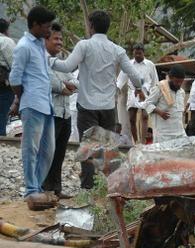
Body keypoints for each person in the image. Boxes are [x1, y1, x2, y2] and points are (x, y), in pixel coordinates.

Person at [49, 10, 144, 189]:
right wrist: (140, 85)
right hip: (108, 108)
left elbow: (67, 66)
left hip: (87, 106)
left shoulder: (84, 45)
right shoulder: (117, 50)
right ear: (107, 28)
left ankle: (87, 190)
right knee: (108, 151)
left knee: (88, 150)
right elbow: (136, 79)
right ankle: (111, 189)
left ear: (91, 26)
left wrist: (48, 60)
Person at [9, 6, 57, 210]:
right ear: (35, 25)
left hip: (46, 105)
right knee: (31, 149)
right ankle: (31, 190)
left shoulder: (39, 45)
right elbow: (14, 79)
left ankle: (36, 187)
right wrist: (22, 98)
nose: (49, 30)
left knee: (48, 151)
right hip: (32, 104)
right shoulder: (23, 47)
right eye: (46, 26)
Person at [41, 23, 79, 199]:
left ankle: (56, 188)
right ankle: (43, 188)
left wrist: (66, 86)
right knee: (47, 152)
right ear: (46, 40)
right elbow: (50, 83)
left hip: (65, 113)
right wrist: (64, 86)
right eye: (55, 38)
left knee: (60, 152)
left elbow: (75, 81)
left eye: (61, 39)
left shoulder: (63, 62)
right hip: (51, 112)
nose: (59, 42)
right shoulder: (41, 59)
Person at [116, 43, 158, 144]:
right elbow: (121, 80)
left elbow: (155, 82)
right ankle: (135, 142)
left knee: (144, 116)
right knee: (131, 119)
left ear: (143, 53)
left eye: (139, 53)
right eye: (136, 53)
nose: (138, 55)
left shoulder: (150, 65)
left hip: (145, 93)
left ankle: (143, 142)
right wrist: (116, 89)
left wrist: (154, 95)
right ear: (133, 53)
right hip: (132, 94)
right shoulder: (128, 64)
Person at [143, 65, 186, 143]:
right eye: (177, 81)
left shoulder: (181, 92)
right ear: (170, 77)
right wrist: (160, 112)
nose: (179, 84)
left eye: (181, 82)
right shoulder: (160, 88)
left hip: (180, 133)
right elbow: (147, 104)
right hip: (163, 135)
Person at [0, 18, 16, 136]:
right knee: (1, 118)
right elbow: (15, 66)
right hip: (3, 88)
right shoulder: (6, 41)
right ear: (6, 29)